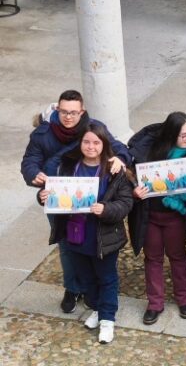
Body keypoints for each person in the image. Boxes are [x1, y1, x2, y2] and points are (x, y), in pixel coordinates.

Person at [21, 90, 130, 315]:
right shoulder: (42, 134)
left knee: (93, 244)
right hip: (58, 197)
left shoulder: (94, 127)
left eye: (73, 112)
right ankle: (72, 288)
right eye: (63, 112)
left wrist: (121, 158)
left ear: (82, 112)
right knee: (67, 246)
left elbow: (117, 147)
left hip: (91, 199)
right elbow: (31, 159)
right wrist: (34, 174)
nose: (68, 117)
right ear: (57, 110)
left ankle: (96, 292)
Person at [36, 123, 134, 344]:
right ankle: (98, 310)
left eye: (96, 142)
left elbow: (126, 202)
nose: (91, 147)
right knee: (86, 277)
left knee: (107, 277)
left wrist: (106, 209)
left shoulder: (114, 169)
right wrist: (43, 197)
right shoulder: (67, 166)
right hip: (75, 234)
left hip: (102, 235)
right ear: (79, 144)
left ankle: (108, 318)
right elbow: (52, 194)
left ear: (104, 144)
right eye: (86, 142)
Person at [126, 112, 186, 325]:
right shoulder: (152, 151)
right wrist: (134, 192)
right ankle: (155, 303)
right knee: (153, 258)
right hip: (150, 215)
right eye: (184, 135)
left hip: (176, 215)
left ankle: (184, 298)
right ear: (172, 134)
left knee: (178, 256)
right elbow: (131, 177)